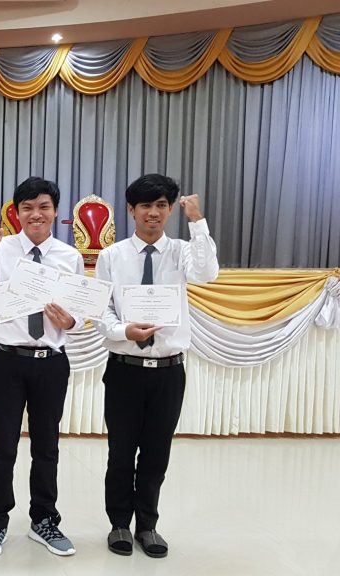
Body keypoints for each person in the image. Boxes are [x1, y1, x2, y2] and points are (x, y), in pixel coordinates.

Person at [95, 173, 219, 558]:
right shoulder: (112, 256)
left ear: (170, 210)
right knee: (120, 451)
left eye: (162, 205)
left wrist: (197, 221)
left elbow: (207, 273)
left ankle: (147, 525)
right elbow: (101, 310)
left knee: (156, 452)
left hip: (168, 370)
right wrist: (124, 330)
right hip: (125, 367)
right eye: (146, 205)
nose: (154, 212)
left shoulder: (182, 251)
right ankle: (119, 523)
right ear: (131, 210)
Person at [0, 177, 82, 558]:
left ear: (55, 211)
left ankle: (44, 520)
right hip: (7, 361)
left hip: (51, 362)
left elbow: (79, 312)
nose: (36, 214)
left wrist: (71, 321)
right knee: (3, 445)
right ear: (15, 213)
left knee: (47, 446)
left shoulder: (69, 256)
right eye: (27, 208)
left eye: (43, 206)